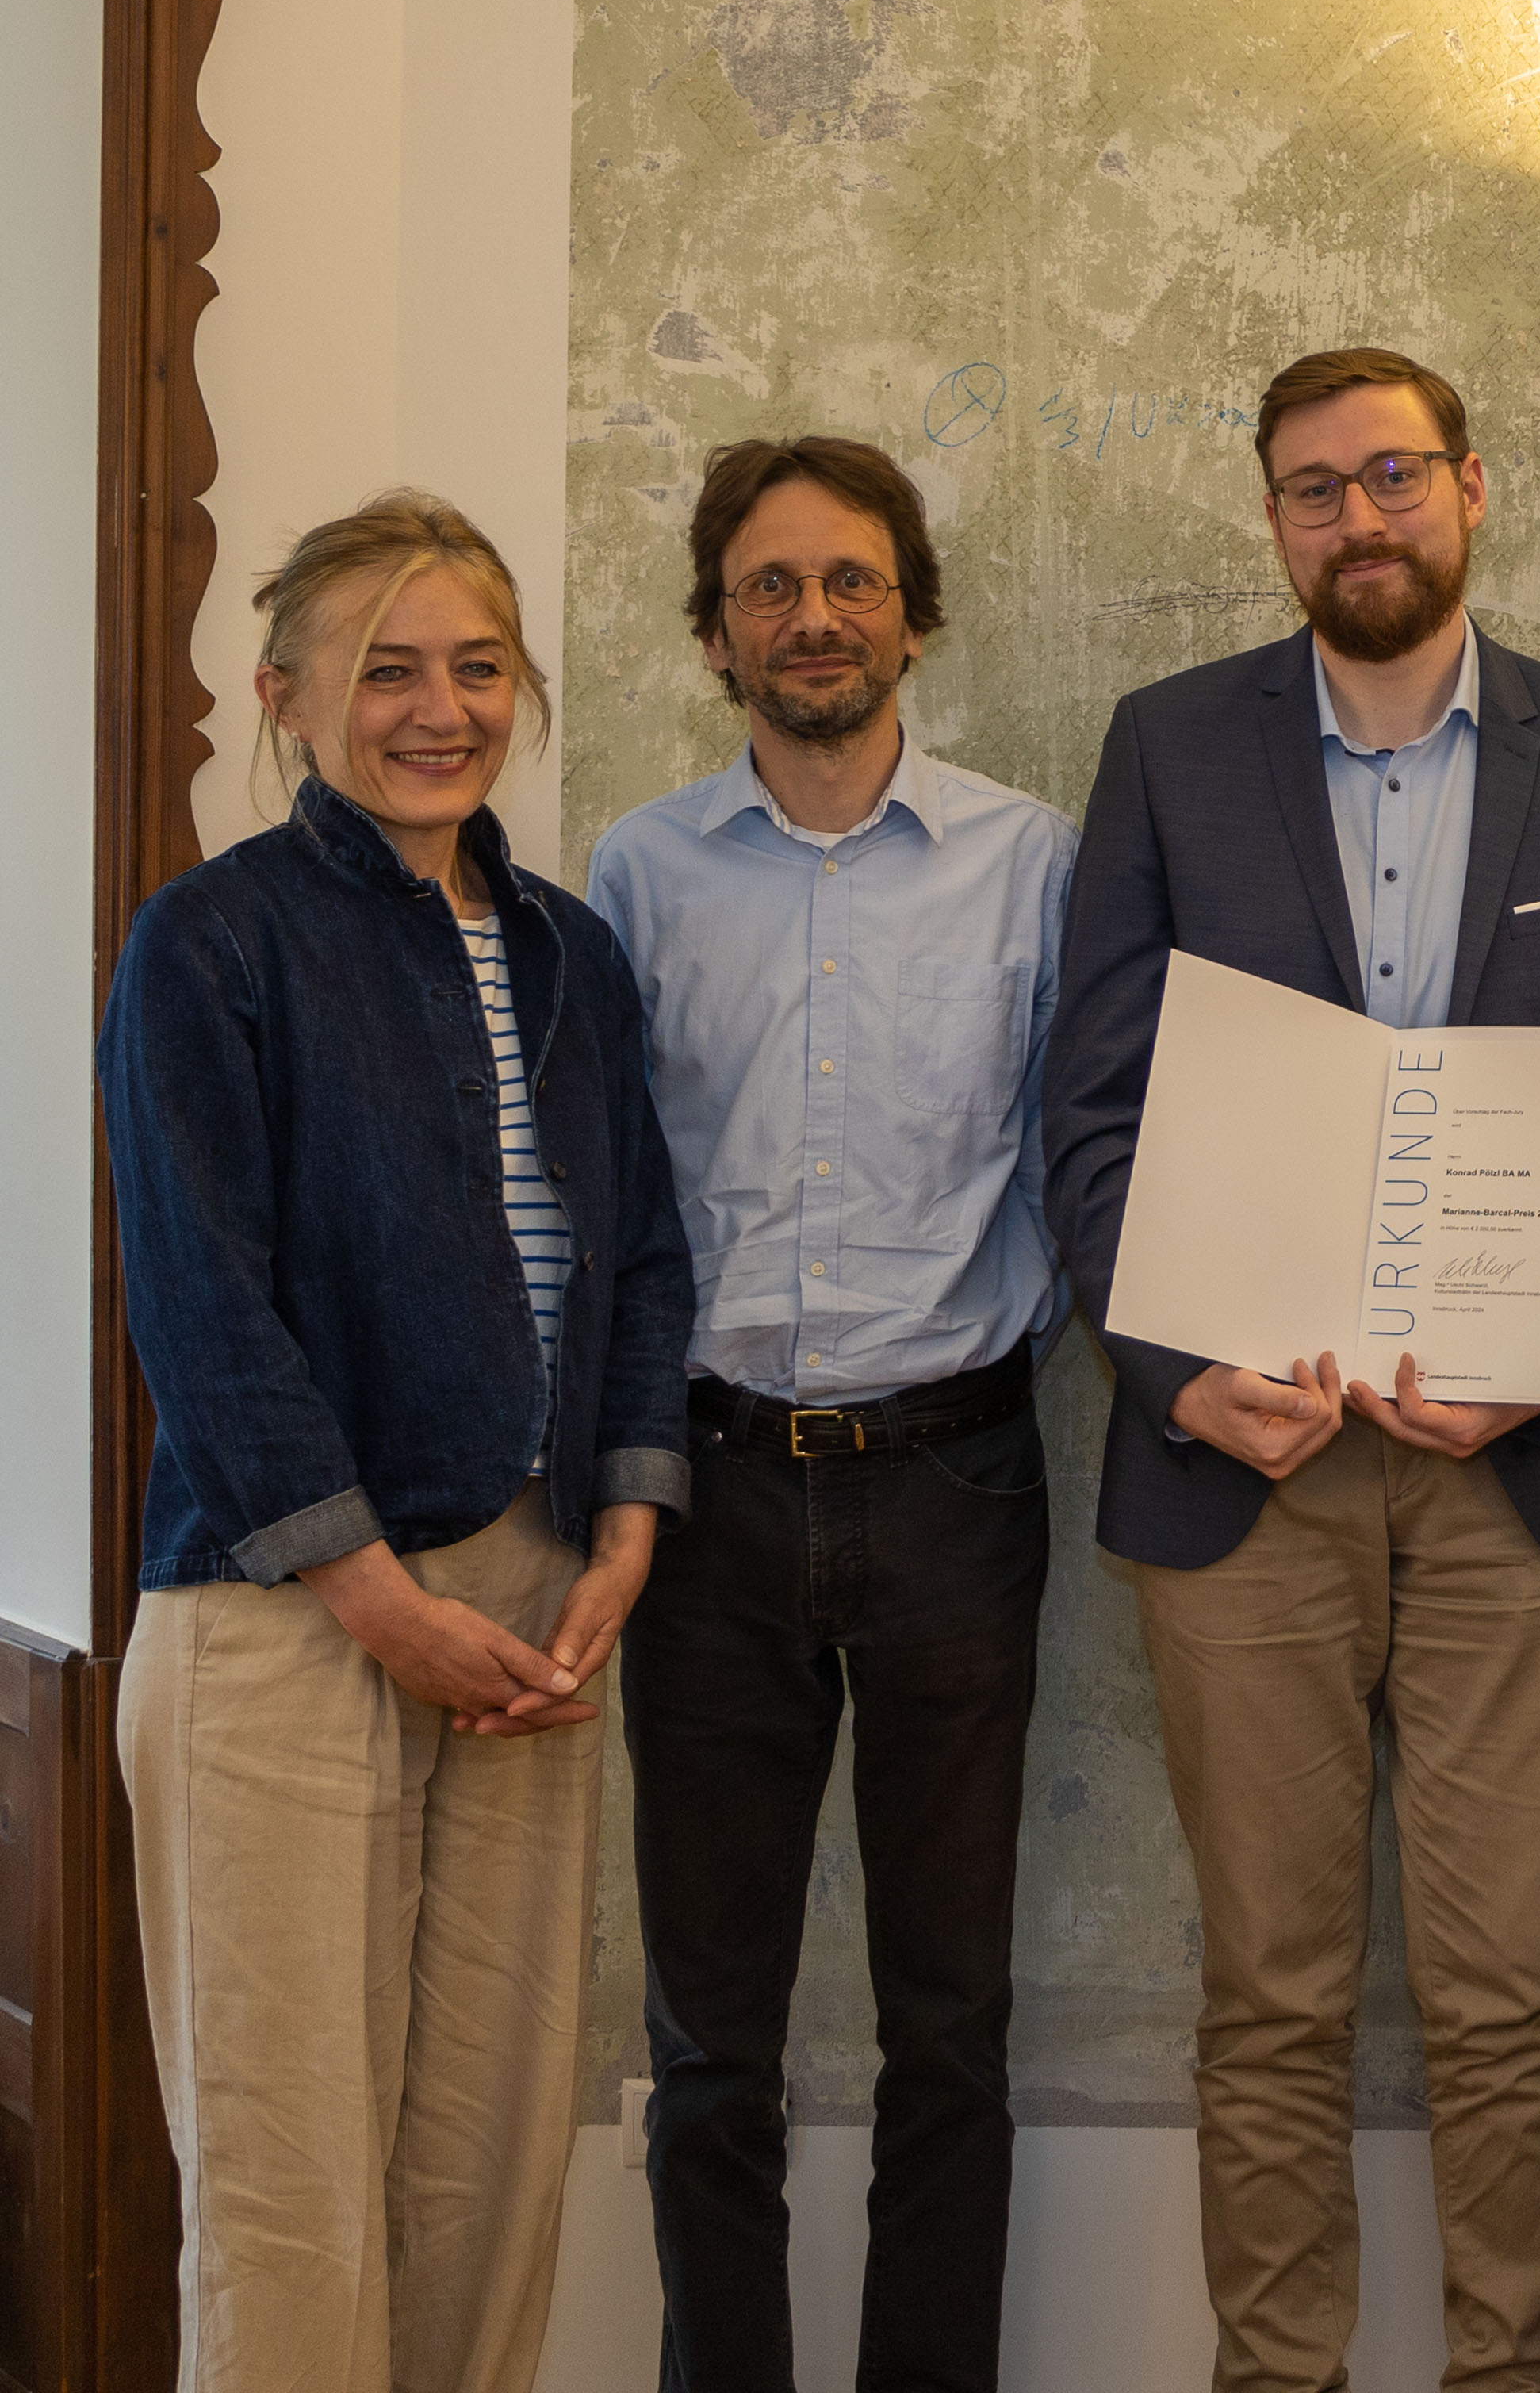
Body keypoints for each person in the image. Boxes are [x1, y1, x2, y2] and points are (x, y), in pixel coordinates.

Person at [1044, 347, 1540, 2393]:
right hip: (1249, 1464)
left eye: (1394, 474)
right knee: (1271, 1990)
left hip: (1511, 1466)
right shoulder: (1167, 746)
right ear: (1273, 520)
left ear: (1472, 488)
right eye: (1314, 488)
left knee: (1510, 1993)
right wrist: (1173, 1375)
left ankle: (1515, 2376)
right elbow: (1089, 1112)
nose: (1361, 518)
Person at [98, 493, 695, 2393]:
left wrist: (624, 1522)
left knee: (486, 2168)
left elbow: (647, 1250)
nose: (436, 708)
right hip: (286, 1613)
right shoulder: (211, 944)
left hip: (532, 1613)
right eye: (384, 669)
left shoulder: (575, 953)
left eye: (475, 664)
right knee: (291, 2187)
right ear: (285, 698)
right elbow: (204, 1303)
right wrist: (371, 1591)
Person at [582, 438, 1077, 2393]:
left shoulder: (1030, 860)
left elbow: (1095, 1151)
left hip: (958, 1478)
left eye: (851, 579)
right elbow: (610, 1205)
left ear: (915, 610)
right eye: (770, 585)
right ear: (717, 633)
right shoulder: (634, 869)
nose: (813, 617)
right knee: (714, 2035)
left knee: (951, 2022)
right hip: (702, 1491)